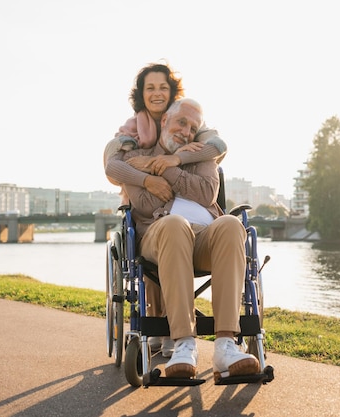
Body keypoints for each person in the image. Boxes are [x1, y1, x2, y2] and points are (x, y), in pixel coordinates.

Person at [104, 98, 261, 380]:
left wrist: (166, 167)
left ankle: (226, 346)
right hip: (159, 235)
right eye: (181, 122)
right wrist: (155, 173)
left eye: (192, 127)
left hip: (204, 238)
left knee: (230, 224)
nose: (186, 131)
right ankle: (183, 344)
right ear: (164, 121)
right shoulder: (137, 154)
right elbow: (146, 199)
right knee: (174, 224)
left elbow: (206, 194)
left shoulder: (201, 154)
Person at [103, 62, 228, 357]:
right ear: (141, 94)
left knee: (182, 230)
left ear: (171, 93)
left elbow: (218, 146)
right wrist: (146, 176)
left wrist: (177, 159)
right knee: (157, 239)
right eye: (150, 88)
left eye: (163, 87)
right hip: (144, 200)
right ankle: (166, 325)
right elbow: (114, 165)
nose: (157, 93)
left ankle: (180, 330)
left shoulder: (189, 123)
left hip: (184, 202)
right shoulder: (130, 131)